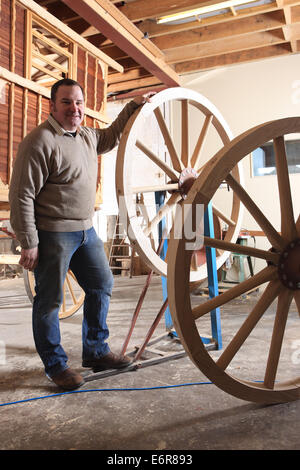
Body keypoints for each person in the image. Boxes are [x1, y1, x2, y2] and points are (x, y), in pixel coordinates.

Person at [9, 78, 154, 391]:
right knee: (49, 300)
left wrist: (133, 106)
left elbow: (112, 136)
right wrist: (29, 241)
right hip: (53, 234)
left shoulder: (87, 136)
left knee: (101, 284)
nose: (74, 109)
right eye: (66, 102)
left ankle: (97, 351)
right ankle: (56, 366)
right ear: (52, 105)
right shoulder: (39, 141)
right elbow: (21, 195)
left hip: (86, 230)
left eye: (78, 102)